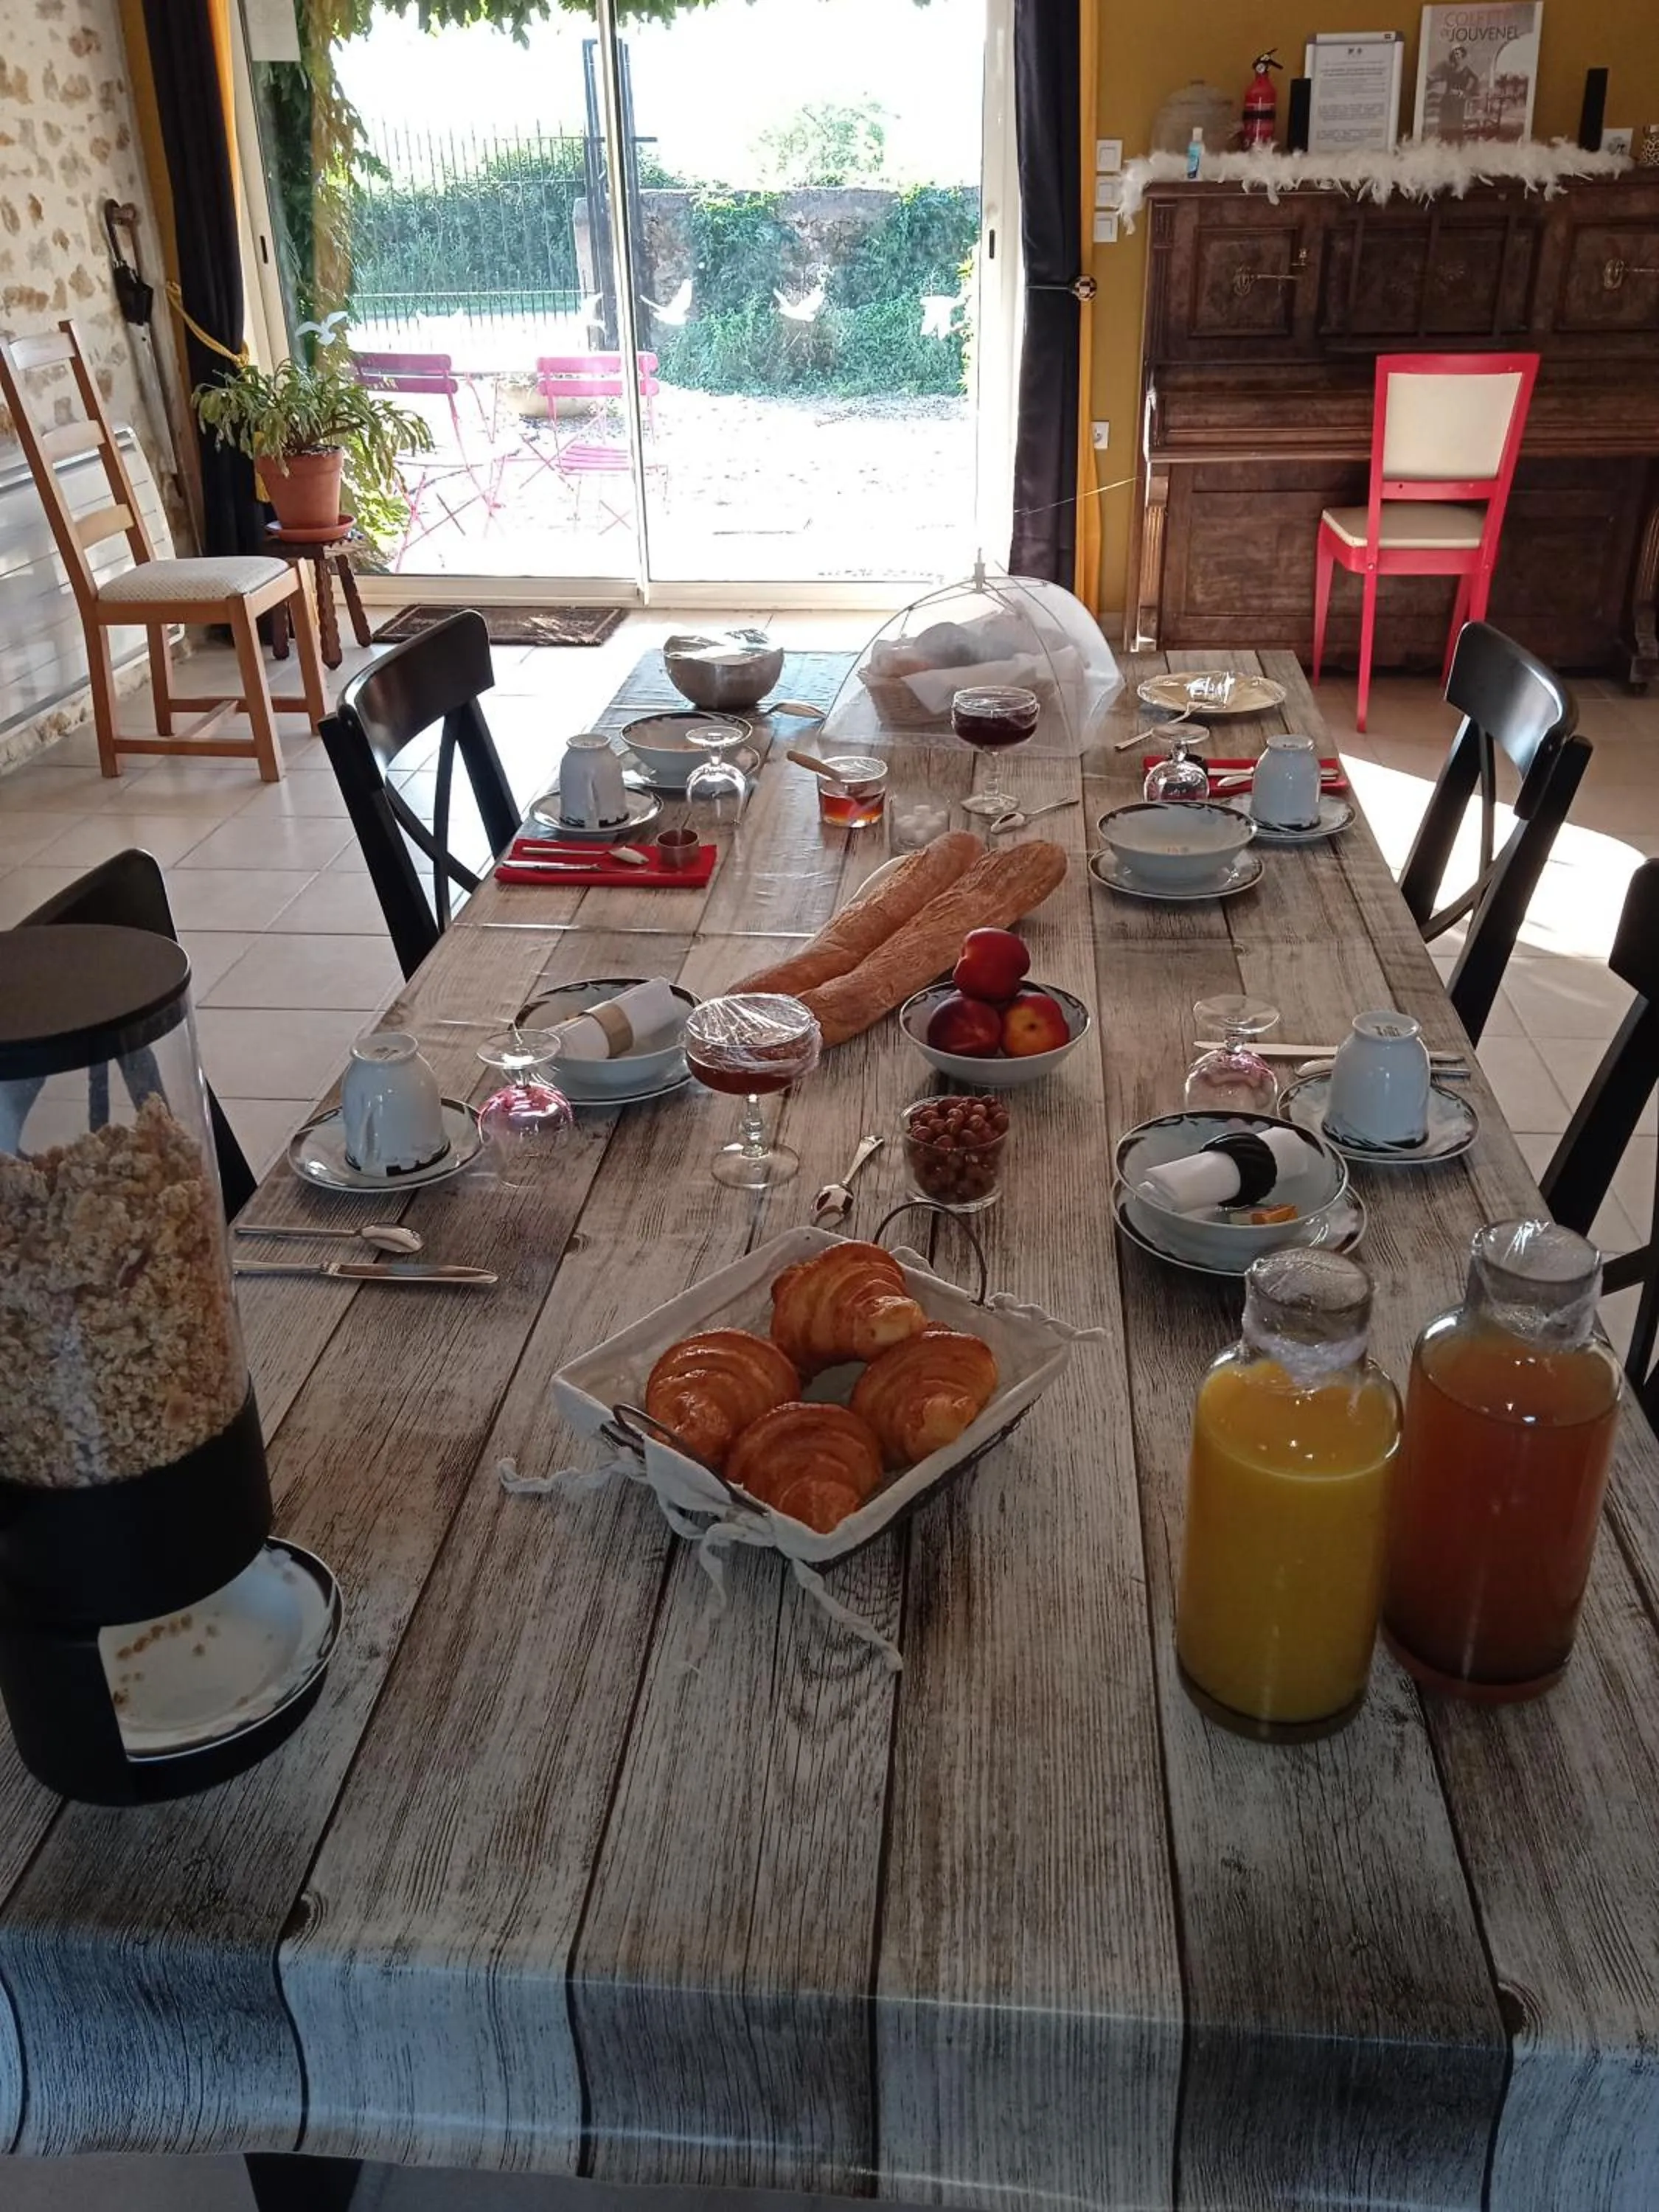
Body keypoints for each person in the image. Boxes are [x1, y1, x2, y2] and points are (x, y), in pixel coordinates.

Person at [1430, 45, 1481, 143]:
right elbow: (1440, 78)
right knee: (1445, 121)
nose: (1456, 56)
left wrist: (1464, 92)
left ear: (1462, 55)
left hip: (1458, 101)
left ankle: (1457, 143)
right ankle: (1445, 141)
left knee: (1456, 122)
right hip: (1447, 99)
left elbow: (1474, 80)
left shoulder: (1466, 71)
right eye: (1454, 54)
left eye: (1458, 54)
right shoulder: (1450, 69)